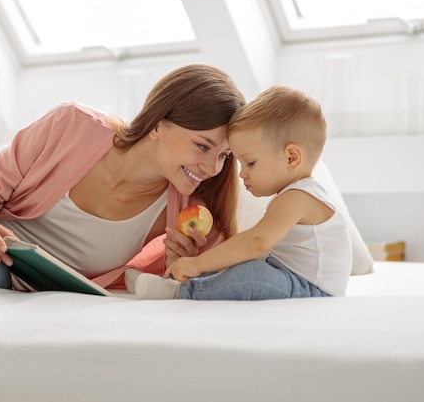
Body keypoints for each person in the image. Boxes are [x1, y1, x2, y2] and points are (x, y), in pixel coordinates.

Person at [0, 64, 246, 294]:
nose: (212, 167)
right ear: (157, 125)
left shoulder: (188, 215)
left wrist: (182, 266)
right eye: (202, 146)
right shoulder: (74, 125)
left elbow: (216, 280)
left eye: (223, 155)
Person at [130, 85, 353, 300]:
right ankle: (177, 281)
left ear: (291, 158)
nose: (242, 174)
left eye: (250, 163)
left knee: (253, 276)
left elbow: (257, 242)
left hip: (312, 289)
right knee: (239, 267)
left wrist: (197, 264)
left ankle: (180, 292)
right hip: (286, 274)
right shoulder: (297, 194)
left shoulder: (298, 197)